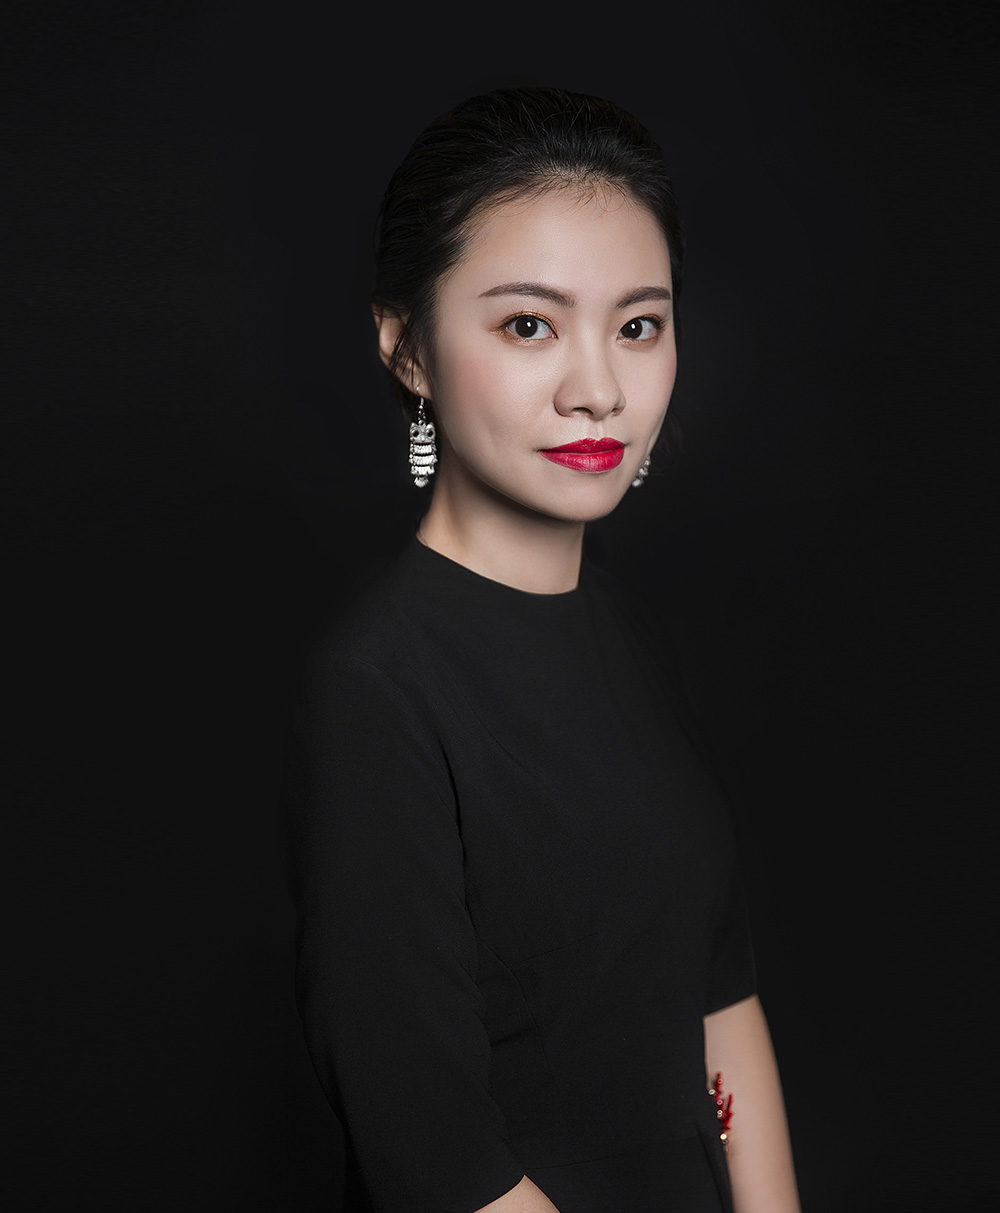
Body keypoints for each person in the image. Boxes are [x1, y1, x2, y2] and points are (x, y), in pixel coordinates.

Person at [282, 86, 800, 1213]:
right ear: (407, 348)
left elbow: (718, 994)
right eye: (529, 324)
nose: (598, 389)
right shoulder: (375, 688)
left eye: (637, 325)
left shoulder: (622, 624)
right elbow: (434, 1160)